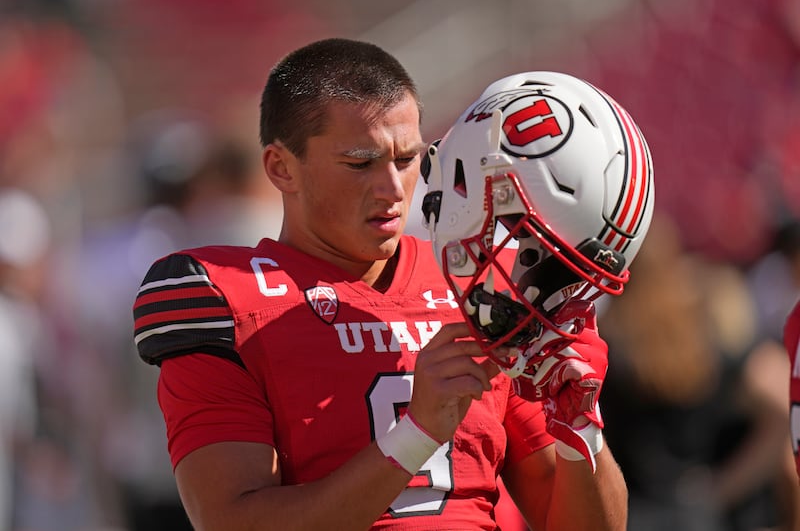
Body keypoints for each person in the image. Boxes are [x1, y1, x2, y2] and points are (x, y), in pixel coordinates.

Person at [132, 38, 628, 530]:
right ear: (282, 168)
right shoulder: (223, 296)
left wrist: (581, 431)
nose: (393, 189)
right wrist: (415, 433)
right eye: (360, 163)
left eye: (407, 159)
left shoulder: (480, 282)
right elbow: (231, 522)